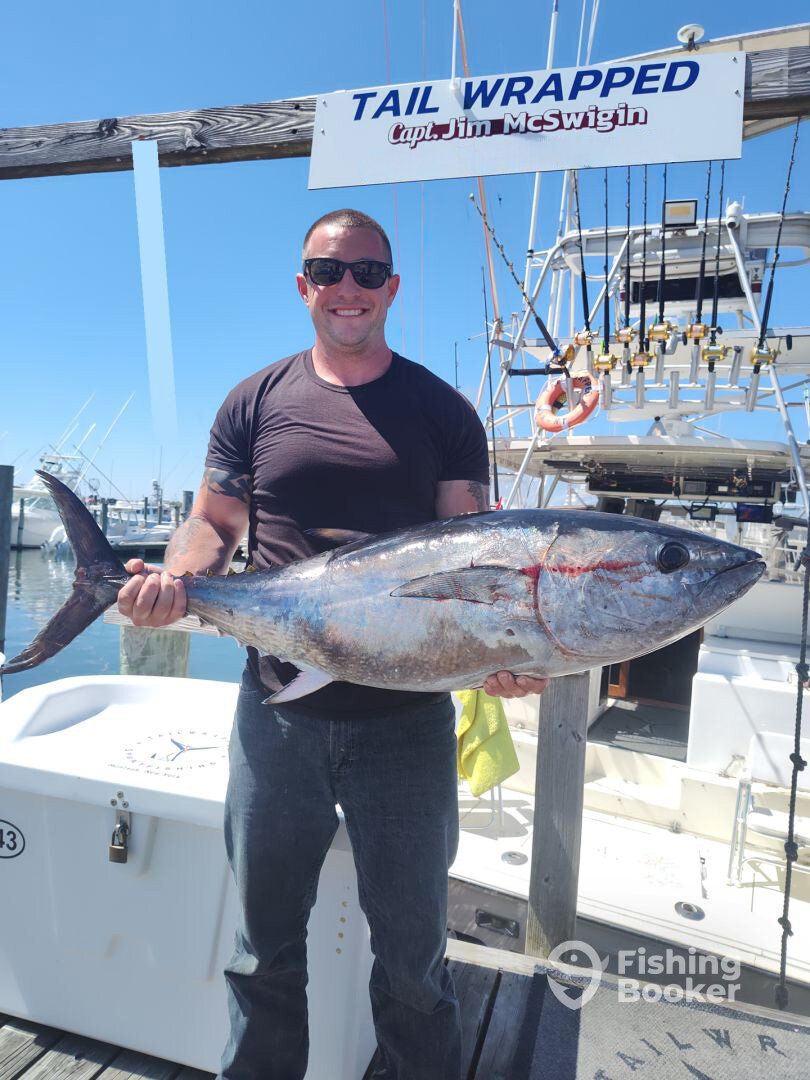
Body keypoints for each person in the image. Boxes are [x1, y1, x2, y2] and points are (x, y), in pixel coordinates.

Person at [117, 208, 549, 1080]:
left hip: (406, 725)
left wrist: (499, 653)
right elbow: (214, 524)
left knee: (416, 961)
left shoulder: (443, 411)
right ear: (302, 285)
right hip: (277, 714)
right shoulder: (254, 401)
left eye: (366, 272)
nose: (347, 287)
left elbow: (471, 556)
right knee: (262, 946)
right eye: (327, 270)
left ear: (392, 287)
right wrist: (178, 581)